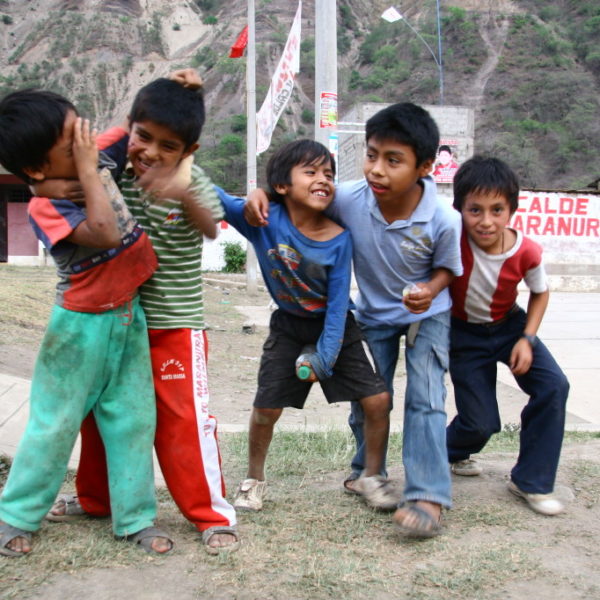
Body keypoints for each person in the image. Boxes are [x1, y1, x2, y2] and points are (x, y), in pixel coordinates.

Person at [34, 75, 240, 554]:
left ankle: (210, 514)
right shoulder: (114, 169)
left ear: (190, 149)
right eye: (143, 137)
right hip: (117, 322)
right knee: (100, 416)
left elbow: (212, 228)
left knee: (181, 421)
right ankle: (96, 499)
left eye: (168, 146)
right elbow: (79, 159)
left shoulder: (195, 180)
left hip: (174, 325)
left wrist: (182, 193)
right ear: (130, 129)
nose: (149, 152)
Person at [245, 103, 463, 537]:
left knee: (425, 397)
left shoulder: (444, 217)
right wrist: (262, 195)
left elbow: (448, 268)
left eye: (392, 160)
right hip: (373, 315)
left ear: (423, 167)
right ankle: (367, 471)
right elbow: (300, 196)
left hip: (429, 315)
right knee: (366, 397)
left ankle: (427, 495)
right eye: (371, 155)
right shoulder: (347, 198)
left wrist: (431, 290)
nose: (376, 170)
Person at [0, 89, 171, 557]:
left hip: (126, 319)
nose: (86, 143)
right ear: (36, 169)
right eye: (71, 142)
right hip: (78, 331)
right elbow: (105, 232)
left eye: (83, 132)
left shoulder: (84, 166)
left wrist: (169, 90)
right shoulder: (45, 206)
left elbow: (133, 127)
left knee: (134, 422)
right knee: (53, 425)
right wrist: (90, 172)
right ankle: (14, 515)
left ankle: (135, 518)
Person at [216, 139, 391, 513]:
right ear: (283, 185)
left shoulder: (340, 239)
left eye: (328, 174)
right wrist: (251, 195)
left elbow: (338, 304)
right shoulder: (263, 220)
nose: (323, 180)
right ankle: (253, 480)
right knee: (266, 409)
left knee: (377, 400)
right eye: (310, 172)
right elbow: (210, 195)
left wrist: (324, 359)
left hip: (335, 327)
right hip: (287, 327)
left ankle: (372, 477)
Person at [446, 156, 569, 515]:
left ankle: (531, 481)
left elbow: (541, 292)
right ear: (460, 209)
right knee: (481, 424)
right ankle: (441, 453)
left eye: (497, 210)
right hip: (463, 335)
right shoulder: (450, 239)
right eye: (475, 210)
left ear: (511, 209)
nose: (486, 221)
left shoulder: (526, 251)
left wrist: (527, 339)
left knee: (554, 387)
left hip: (510, 326)